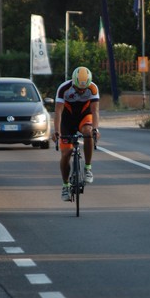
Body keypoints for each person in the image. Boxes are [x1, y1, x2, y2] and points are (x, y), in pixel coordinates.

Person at [52, 66, 100, 202]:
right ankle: (65, 185)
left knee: (88, 132)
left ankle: (87, 168)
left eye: (84, 89)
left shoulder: (93, 88)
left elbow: (95, 111)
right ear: (73, 82)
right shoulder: (63, 88)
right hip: (67, 119)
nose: (81, 91)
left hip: (84, 116)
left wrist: (96, 129)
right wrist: (56, 132)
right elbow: (58, 113)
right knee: (66, 153)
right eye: (79, 88)